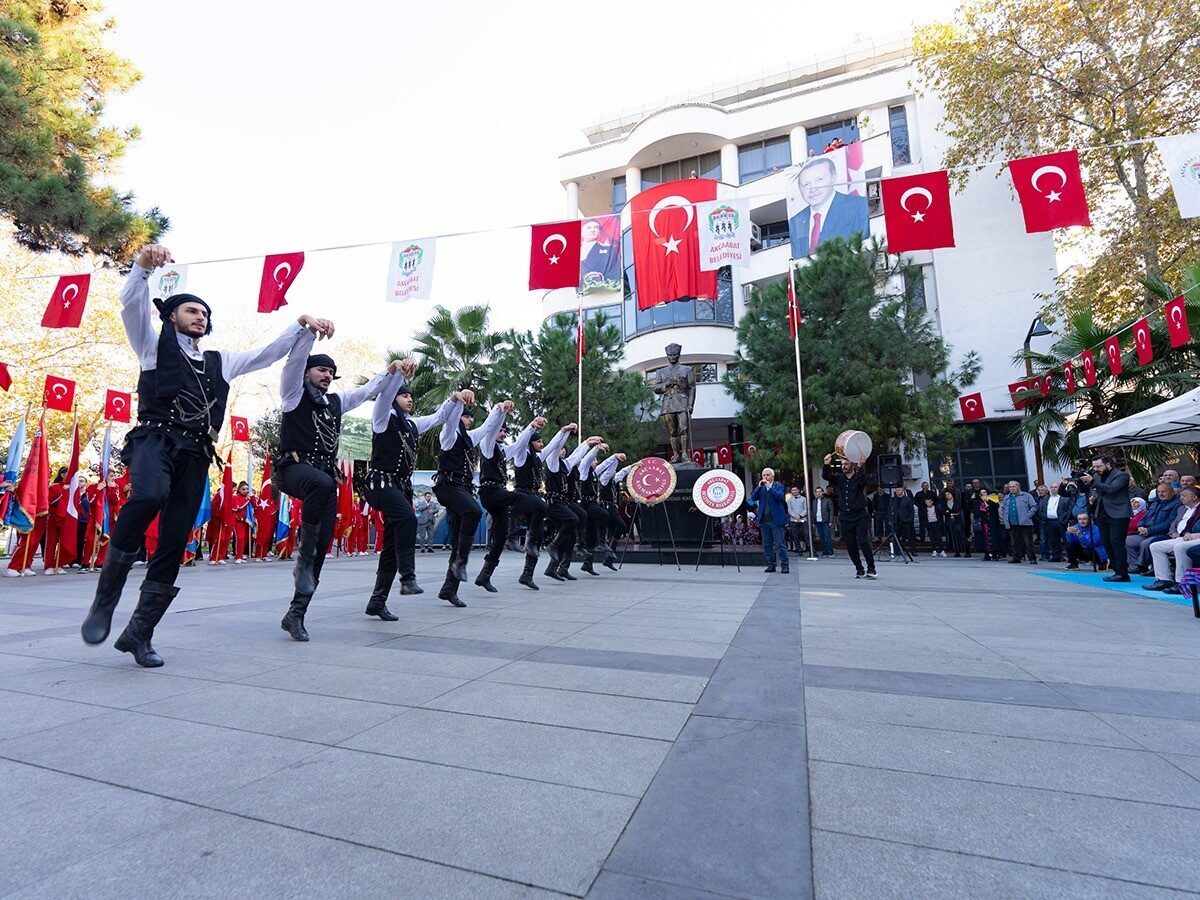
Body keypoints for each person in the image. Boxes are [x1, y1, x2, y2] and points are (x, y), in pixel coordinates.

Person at [81, 242, 322, 667]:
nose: (200, 317)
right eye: (192, 310)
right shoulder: (152, 346)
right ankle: (107, 596)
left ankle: (140, 632)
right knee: (149, 495)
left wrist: (300, 327)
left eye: (204, 314)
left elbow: (266, 356)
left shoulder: (220, 361)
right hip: (155, 440)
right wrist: (141, 268)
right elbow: (130, 306)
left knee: (175, 540)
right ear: (172, 315)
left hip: (196, 453)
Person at [276, 337, 390, 642]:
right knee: (321, 482)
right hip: (293, 470)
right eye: (321, 370)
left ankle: (295, 614)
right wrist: (307, 333)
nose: (327, 375)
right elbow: (292, 364)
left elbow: (366, 392)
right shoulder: (293, 392)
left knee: (321, 549)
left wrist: (390, 373)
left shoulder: (336, 402)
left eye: (331, 372)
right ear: (307, 371)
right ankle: (304, 548)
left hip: (323, 479)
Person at [361, 359, 460, 620]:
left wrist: (455, 400)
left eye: (411, 396)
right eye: (404, 395)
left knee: (392, 546)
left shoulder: (412, 425)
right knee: (407, 517)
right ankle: (408, 577)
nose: (409, 399)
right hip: (380, 483)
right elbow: (385, 395)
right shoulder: (382, 417)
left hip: (400, 488)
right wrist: (396, 374)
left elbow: (440, 417)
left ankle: (377, 601)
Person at [431, 395, 510, 607]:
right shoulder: (448, 435)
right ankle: (462, 562)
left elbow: (487, 428)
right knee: (475, 511)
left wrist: (500, 410)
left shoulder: (468, 438)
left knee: (458, 540)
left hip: (462, 490)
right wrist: (458, 401)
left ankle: (449, 589)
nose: (469, 420)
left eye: (470, 417)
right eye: (466, 416)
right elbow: (450, 419)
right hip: (448, 486)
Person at [476, 410, 548, 591]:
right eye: (500, 430)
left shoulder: (504, 451)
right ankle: (515, 532)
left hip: (499, 493)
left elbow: (519, 443)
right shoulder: (487, 444)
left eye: (505, 431)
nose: (503, 433)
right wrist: (500, 410)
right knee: (525, 499)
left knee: (499, 538)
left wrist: (532, 427)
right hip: (489, 491)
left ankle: (485, 575)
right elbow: (491, 431)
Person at [787, 155, 870, 256]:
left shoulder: (856, 206)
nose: (812, 188)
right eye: (806, 184)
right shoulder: (796, 221)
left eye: (819, 180)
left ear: (833, 177)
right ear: (799, 188)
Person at [822, 453, 876, 578]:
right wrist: (826, 464)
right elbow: (825, 476)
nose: (844, 466)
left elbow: (863, 482)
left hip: (860, 515)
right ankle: (859, 568)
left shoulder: (858, 477)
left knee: (863, 541)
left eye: (846, 464)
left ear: (852, 465)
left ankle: (871, 567)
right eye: (842, 464)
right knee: (850, 544)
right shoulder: (839, 478)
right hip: (845, 517)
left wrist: (861, 467)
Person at [1079, 455, 1133, 582]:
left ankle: (1122, 573)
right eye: (1095, 467)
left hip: (1119, 514)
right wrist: (1081, 481)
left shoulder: (1121, 475)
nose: (1097, 469)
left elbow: (1112, 489)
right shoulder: (1097, 477)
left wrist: (1092, 481)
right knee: (1107, 543)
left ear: (1108, 464)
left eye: (1099, 466)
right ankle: (1117, 571)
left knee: (1117, 543)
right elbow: (1090, 489)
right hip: (1102, 513)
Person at [1144, 487, 1200, 593]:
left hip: (1194, 537)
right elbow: (1174, 523)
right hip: (1183, 537)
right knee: (1155, 546)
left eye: (1184, 495)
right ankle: (1164, 580)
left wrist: (1192, 534)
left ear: (1194, 497)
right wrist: (1174, 533)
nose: (1180, 498)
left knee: (1179, 547)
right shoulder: (1182, 508)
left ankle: (1183, 584)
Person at [1129, 483, 1180, 574]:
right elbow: (1144, 517)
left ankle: (1141, 565)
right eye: (1159, 492)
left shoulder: (1176, 504)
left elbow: (1168, 523)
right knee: (1127, 540)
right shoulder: (1154, 503)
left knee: (1146, 543)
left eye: (1164, 491)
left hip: (1162, 533)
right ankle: (1134, 564)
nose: (1161, 494)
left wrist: (1149, 530)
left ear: (1171, 492)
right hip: (1146, 532)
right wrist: (1140, 526)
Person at [596, 454, 633, 569]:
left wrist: (634, 466)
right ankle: (606, 551)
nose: (614, 471)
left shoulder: (613, 479)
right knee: (620, 526)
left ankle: (609, 558)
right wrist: (616, 459)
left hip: (613, 507)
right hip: (606, 507)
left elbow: (622, 472)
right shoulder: (604, 479)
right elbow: (611, 471)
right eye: (612, 469)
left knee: (618, 529)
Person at [750, 467, 789, 573]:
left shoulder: (779, 486)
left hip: (776, 520)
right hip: (764, 521)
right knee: (767, 544)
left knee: (780, 544)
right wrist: (758, 487)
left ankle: (785, 565)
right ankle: (771, 564)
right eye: (763, 475)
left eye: (767, 475)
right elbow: (752, 498)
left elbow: (780, 497)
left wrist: (769, 487)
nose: (765, 477)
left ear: (772, 476)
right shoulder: (761, 488)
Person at [999, 481, 1038, 564]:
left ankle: (1032, 558)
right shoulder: (1007, 497)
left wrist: (1028, 515)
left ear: (1018, 487)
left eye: (1014, 487)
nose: (1012, 488)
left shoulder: (1026, 495)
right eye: (1010, 487)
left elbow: (1034, 506)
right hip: (1012, 522)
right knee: (1015, 542)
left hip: (1025, 522)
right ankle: (1016, 557)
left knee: (1028, 542)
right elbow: (1003, 508)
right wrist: (1005, 518)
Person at [1037, 482, 1065, 562]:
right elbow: (1041, 509)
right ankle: (1056, 556)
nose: (1053, 489)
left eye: (1055, 487)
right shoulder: (1046, 498)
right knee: (1053, 540)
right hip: (1049, 522)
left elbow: (1066, 509)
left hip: (1060, 521)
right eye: (1051, 487)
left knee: (1065, 539)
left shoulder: (1062, 498)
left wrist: (1064, 519)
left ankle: (1070, 557)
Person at [888, 486, 916, 557]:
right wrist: (890, 520)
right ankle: (897, 551)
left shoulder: (907, 499)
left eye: (899, 490)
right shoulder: (892, 499)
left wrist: (911, 520)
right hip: (896, 521)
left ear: (902, 490)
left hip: (906, 521)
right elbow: (889, 510)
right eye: (896, 490)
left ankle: (913, 551)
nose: (897, 491)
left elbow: (911, 511)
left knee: (910, 537)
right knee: (896, 537)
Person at [942, 488, 968, 557]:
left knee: (961, 536)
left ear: (952, 494)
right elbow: (943, 511)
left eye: (948, 494)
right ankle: (957, 552)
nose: (947, 495)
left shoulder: (957, 501)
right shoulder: (945, 503)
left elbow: (957, 509)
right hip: (950, 522)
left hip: (958, 521)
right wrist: (951, 513)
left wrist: (949, 511)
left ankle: (967, 551)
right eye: (946, 494)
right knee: (953, 537)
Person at [812, 485, 834, 557]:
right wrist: (813, 521)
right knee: (821, 537)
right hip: (818, 521)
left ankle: (830, 552)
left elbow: (831, 511)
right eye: (817, 492)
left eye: (820, 492)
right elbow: (813, 511)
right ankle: (824, 552)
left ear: (823, 492)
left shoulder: (828, 500)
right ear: (815, 493)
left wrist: (831, 521)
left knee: (827, 536)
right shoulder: (814, 501)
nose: (818, 493)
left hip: (826, 521)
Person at [786, 486, 808, 555]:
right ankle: (799, 550)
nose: (794, 491)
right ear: (791, 491)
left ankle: (811, 549)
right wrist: (795, 516)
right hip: (793, 519)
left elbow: (806, 509)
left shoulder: (804, 499)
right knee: (795, 535)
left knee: (806, 534)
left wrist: (800, 516)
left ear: (798, 490)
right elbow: (789, 510)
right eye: (793, 490)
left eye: (796, 490)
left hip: (803, 519)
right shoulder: (789, 500)